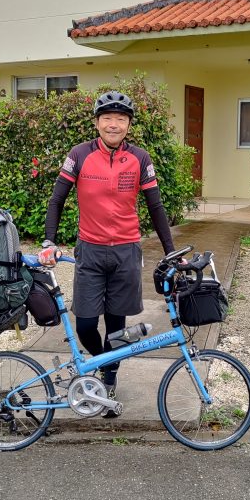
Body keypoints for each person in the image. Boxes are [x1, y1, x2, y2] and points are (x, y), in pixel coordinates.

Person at [39, 91, 176, 417]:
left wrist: (171, 252)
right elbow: (57, 200)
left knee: (117, 326)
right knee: (85, 323)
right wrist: (48, 241)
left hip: (127, 252)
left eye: (121, 119)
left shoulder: (140, 159)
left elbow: (155, 206)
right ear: (97, 122)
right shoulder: (79, 154)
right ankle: (102, 365)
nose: (114, 124)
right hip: (91, 250)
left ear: (128, 124)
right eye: (107, 118)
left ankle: (107, 379)